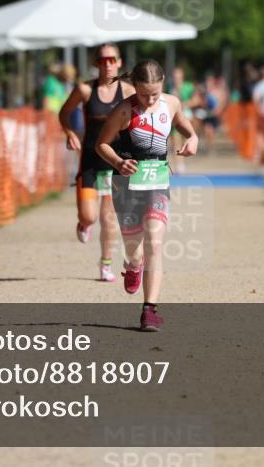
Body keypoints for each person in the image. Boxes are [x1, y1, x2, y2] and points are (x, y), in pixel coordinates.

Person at [95, 59, 198, 331]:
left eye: (154, 93)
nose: (150, 99)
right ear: (134, 88)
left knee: (154, 240)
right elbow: (101, 144)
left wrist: (193, 138)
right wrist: (118, 162)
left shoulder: (171, 103)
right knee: (135, 248)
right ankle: (133, 264)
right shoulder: (124, 110)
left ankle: (149, 310)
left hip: (158, 180)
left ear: (163, 85)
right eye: (143, 94)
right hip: (126, 184)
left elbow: (183, 124)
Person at [58, 44, 135, 282]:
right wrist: (69, 133)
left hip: (115, 160)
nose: (108, 64)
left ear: (119, 62)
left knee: (109, 217)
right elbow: (64, 113)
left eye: (112, 59)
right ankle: (84, 224)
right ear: (96, 64)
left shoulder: (129, 91)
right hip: (91, 161)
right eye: (103, 60)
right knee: (90, 216)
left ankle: (105, 264)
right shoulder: (84, 90)